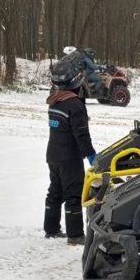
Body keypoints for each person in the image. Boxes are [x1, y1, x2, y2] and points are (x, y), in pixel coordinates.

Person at [45, 59, 97, 246]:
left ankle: (50, 229)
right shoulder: (74, 105)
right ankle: (75, 235)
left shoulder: (55, 101)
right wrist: (91, 155)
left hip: (53, 154)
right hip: (69, 157)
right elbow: (81, 135)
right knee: (73, 194)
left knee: (55, 192)